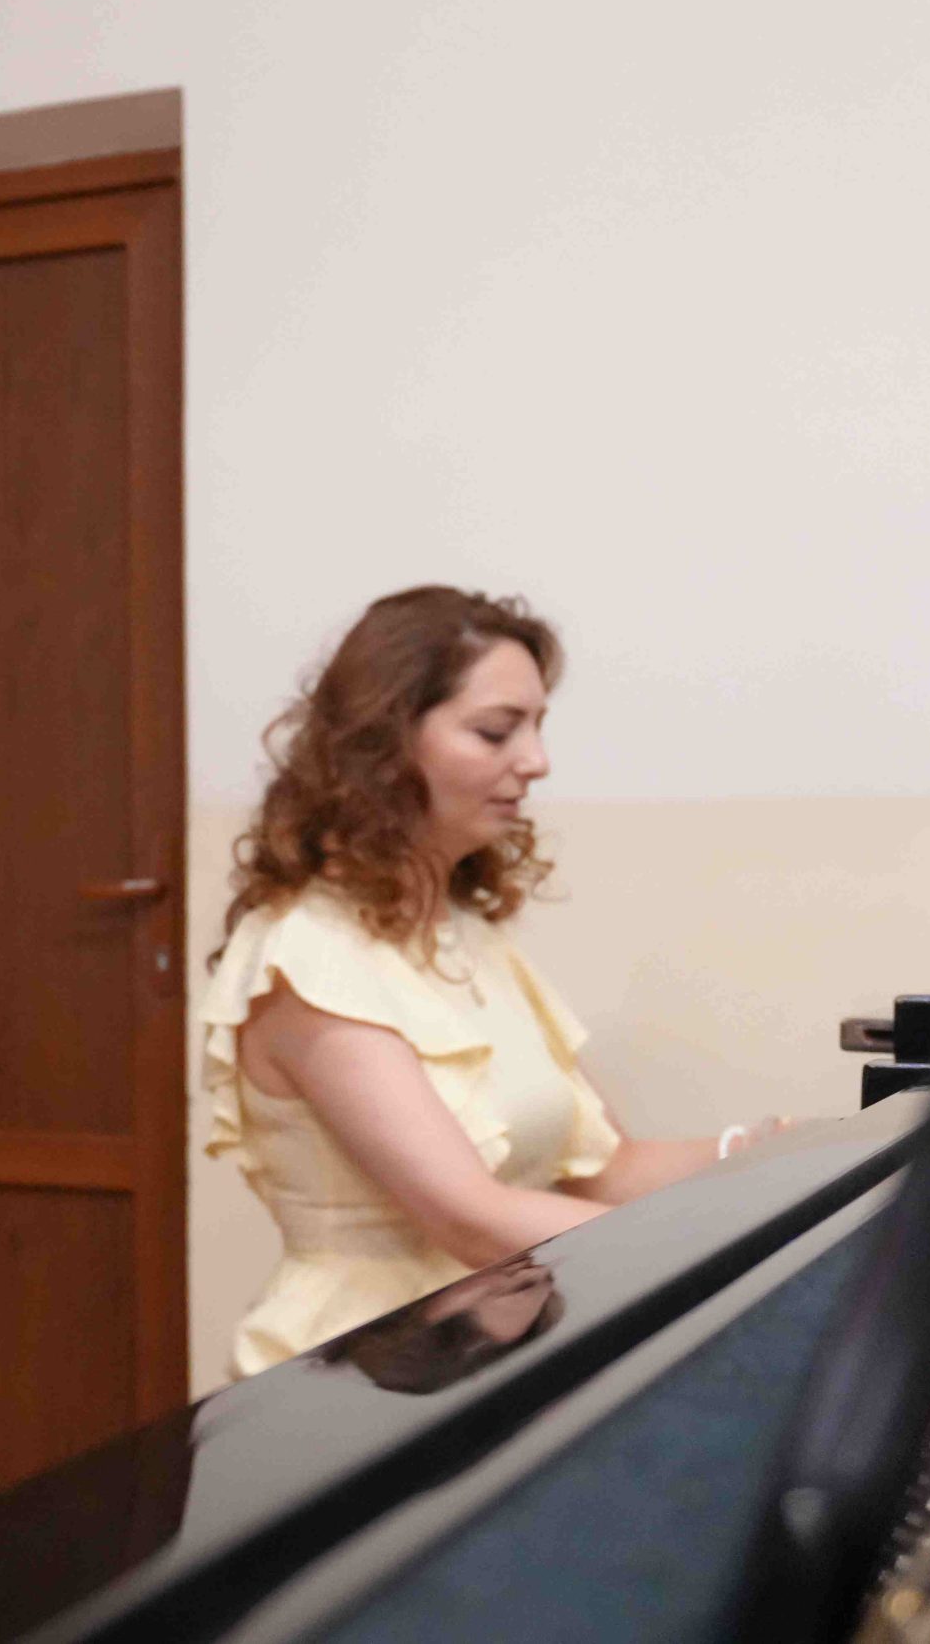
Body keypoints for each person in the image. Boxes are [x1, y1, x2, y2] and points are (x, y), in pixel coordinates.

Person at [202, 586, 781, 1378]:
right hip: (363, 1370)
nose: (536, 761)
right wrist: (710, 1242)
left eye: (537, 728)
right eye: (497, 731)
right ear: (384, 743)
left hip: (488, 1348)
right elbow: (471, 1219)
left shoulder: (470, 935)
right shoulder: (307, 956)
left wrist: (765, 1152)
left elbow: (606, 1170)